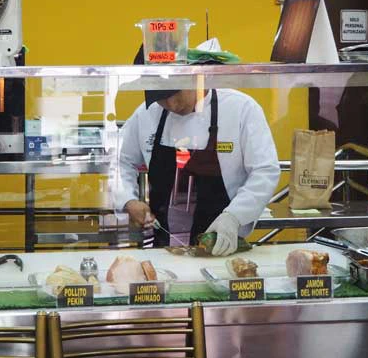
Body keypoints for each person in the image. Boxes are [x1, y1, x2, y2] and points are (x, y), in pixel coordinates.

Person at [114, 46, 281, 256]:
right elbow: (120, 162)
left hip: (223, 246)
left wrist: (234, 216)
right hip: (163, 248)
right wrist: (128, 200)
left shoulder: (241, 109)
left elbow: (265, 171)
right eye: (162, 98)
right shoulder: (146, 115)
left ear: (195, 77)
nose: (172, 104)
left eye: (176, 94)